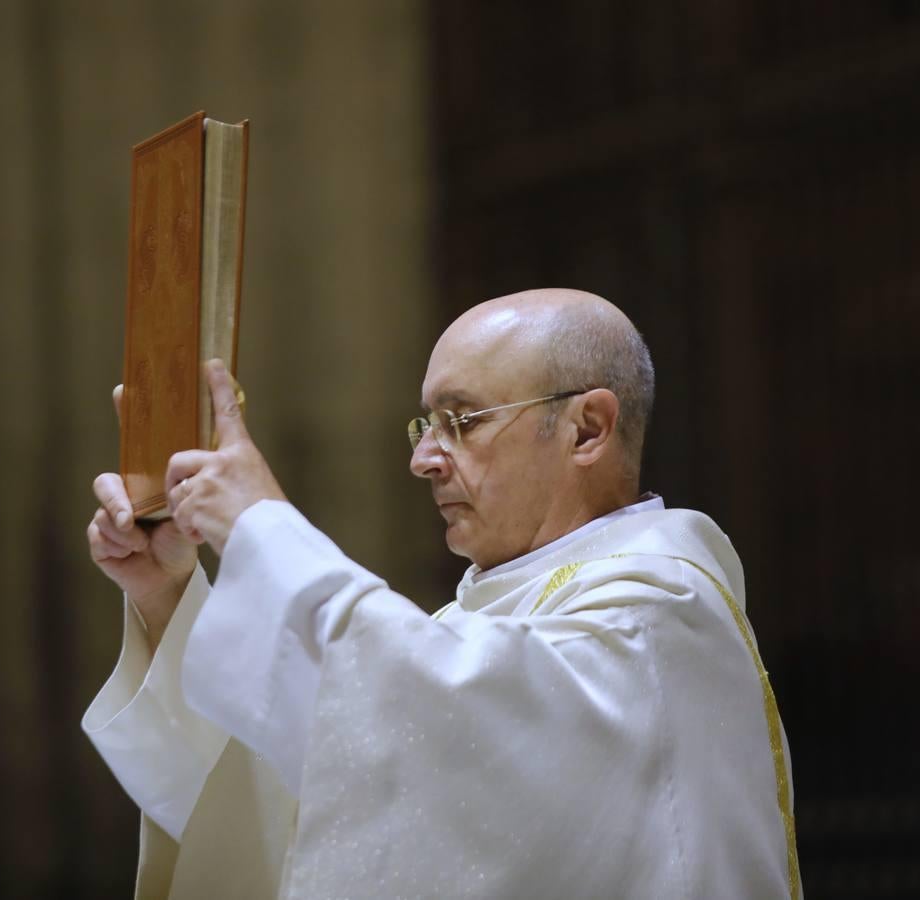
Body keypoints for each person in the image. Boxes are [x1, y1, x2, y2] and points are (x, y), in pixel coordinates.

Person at [82, 289, 801, 899]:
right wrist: (169, 594)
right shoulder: (486, 621)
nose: (422, 458)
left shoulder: (656, 616)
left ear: (587, 428)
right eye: (425, 423)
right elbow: (300, 795)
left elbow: (442, 719)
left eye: (461, 421)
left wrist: (260, 526)